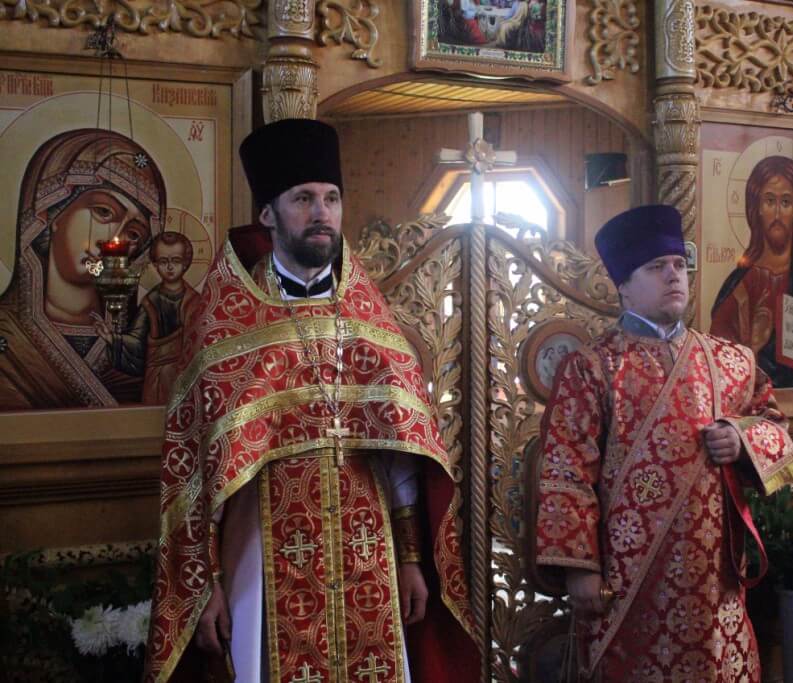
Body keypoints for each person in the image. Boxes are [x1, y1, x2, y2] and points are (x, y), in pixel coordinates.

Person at [145, 119, 478, 683]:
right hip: (259, 555)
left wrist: (410, 559)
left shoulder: (371, 322)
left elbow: (401, 458)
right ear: (268, 214)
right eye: (303, 199)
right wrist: (206, 586)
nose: (322, 212)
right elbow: (196, 476)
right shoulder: (224, 324)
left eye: (331, 198)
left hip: (370, 555)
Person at [532, 204, 793, 680]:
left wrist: (741, 440)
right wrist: (580, 568)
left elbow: (776, 430)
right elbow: (566, 470)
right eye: (656, 267)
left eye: (679, 264)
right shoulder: (593, 367)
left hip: (714, 578)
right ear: (623, 285)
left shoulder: (732, 361)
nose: (674, 275)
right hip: (628, 575)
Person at [0, 128, 165, 409]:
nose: (113, 240)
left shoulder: (141, 342)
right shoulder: (7, 336)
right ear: (52, 213)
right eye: (103, 212)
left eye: (134, 234)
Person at [710, 155, 793, 387]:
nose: (777, 214)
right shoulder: (740, 284)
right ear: (757, 208)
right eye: (769, 201)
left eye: (786, 202)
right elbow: (718, 353)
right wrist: (752, 348)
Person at [93, 231, 200, 405]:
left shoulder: (195, 302)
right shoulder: (150, 302)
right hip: (156, 378)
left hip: (186, 375)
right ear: (155, 264)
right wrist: (112, 338)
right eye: (163, 261)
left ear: (186, 263)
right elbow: (137, 341)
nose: (170, 267)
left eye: (176, 261)